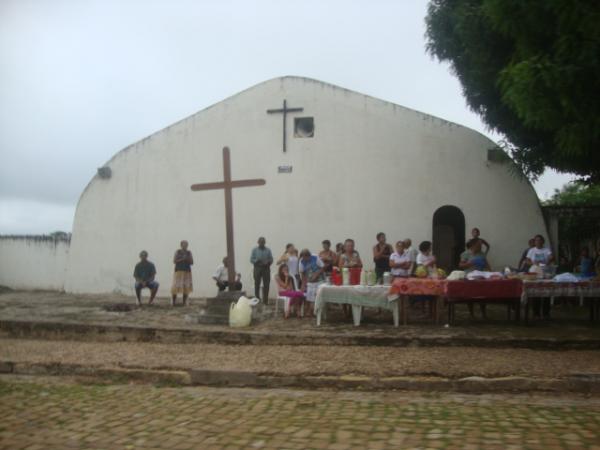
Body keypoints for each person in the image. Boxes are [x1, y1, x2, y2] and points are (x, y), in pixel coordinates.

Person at [459, 239, 490, 318]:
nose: (480, 247)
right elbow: (461, 265)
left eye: (481, 246)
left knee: (482, 296)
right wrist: (469, 263)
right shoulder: (465, 254)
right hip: (469, 277)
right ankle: (471, 313)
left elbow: (487, 265)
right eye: (479, 245)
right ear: (473, 245)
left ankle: (483, 313)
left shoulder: (482, 254)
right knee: (470, 295)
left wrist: (490, 273)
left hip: (480, 277)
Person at [526, 234, 554, 319]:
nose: (538, 242)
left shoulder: (546, 250)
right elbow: (527, 261)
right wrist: (533, 263)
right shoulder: (531, 250)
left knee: (546, 292)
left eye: (539, 240)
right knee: (536, 292)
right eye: (536, 240)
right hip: (535, 273)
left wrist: (548, 262)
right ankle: (536, 313)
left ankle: (546, 313)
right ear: (534, 242)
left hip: (545, 273)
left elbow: (551, 257)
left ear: (543, 241)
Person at [299, 249, 326, 317]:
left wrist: (316, 274)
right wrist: (303, 285)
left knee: (318, 296)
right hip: (310, 282)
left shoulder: (315, 257)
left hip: (320, 281)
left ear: (309, 256)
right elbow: (303, 274)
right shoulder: (301, 262)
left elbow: (323, 267)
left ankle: (318, 311)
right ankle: (310, 311)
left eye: (306, 258)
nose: (305, 260)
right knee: (309, 297)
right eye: (303, 258)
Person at [250, 236, 273, 302]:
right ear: (258, 242)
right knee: (257, 283)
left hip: (266, 268)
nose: (262, 243)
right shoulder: (254, 250)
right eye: (260, 242)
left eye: (263, 242)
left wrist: (268, 262)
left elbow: (271, 259)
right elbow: (251, 259)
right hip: (257, 268)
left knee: (266, 284)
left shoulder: (268, 250)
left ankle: (265, 300)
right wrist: (257, 260)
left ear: (265, 242)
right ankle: (257, 298)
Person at [171, 240, 193, 306]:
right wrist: (182, 259)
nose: (185, 246)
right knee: (175, 287)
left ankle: (184, 302)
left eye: (186, 244)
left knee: (186, 287)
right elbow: (174, 261)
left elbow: (192, 262)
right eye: (184, 244)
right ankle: (174, 302)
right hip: (178, 271)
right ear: (181, 245)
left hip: (187, 271)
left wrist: (187, 259)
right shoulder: (178, 252)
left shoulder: (189, 252)